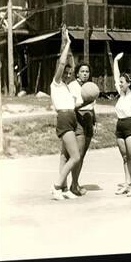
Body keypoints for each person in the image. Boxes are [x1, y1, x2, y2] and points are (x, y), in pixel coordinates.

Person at [50, 27, 84, 200]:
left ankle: (63, 189)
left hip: (71, 118)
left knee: (65, 156)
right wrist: (68, 43)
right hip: (64, 119)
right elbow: (62, 62)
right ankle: (56, 186)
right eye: (66, 72)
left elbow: (76, 104)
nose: (68, 74)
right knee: (76, 156)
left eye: (70, 73)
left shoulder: (66, 87)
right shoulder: (55, 83)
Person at [62, 62, 98, 196]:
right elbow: (70, 106)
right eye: (82, 71)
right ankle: (72, 186)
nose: (85, 74)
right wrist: (84, 103)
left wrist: (95, 122)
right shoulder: (72, 86)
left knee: (82, 156)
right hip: (78, 118)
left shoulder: (91, 87)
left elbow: (93, 107)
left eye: (87, 71)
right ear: (77, 73)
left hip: (89, 119)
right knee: (77, 155)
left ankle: (74, 183)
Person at [113, 52, 131, 197]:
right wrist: (115, 61)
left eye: (122, 82)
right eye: (119, 82)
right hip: (120, 126)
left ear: (129, 83)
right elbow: (116, 75)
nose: (119, 84)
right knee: (125, 157)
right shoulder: (121, 94)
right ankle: (127, 183)